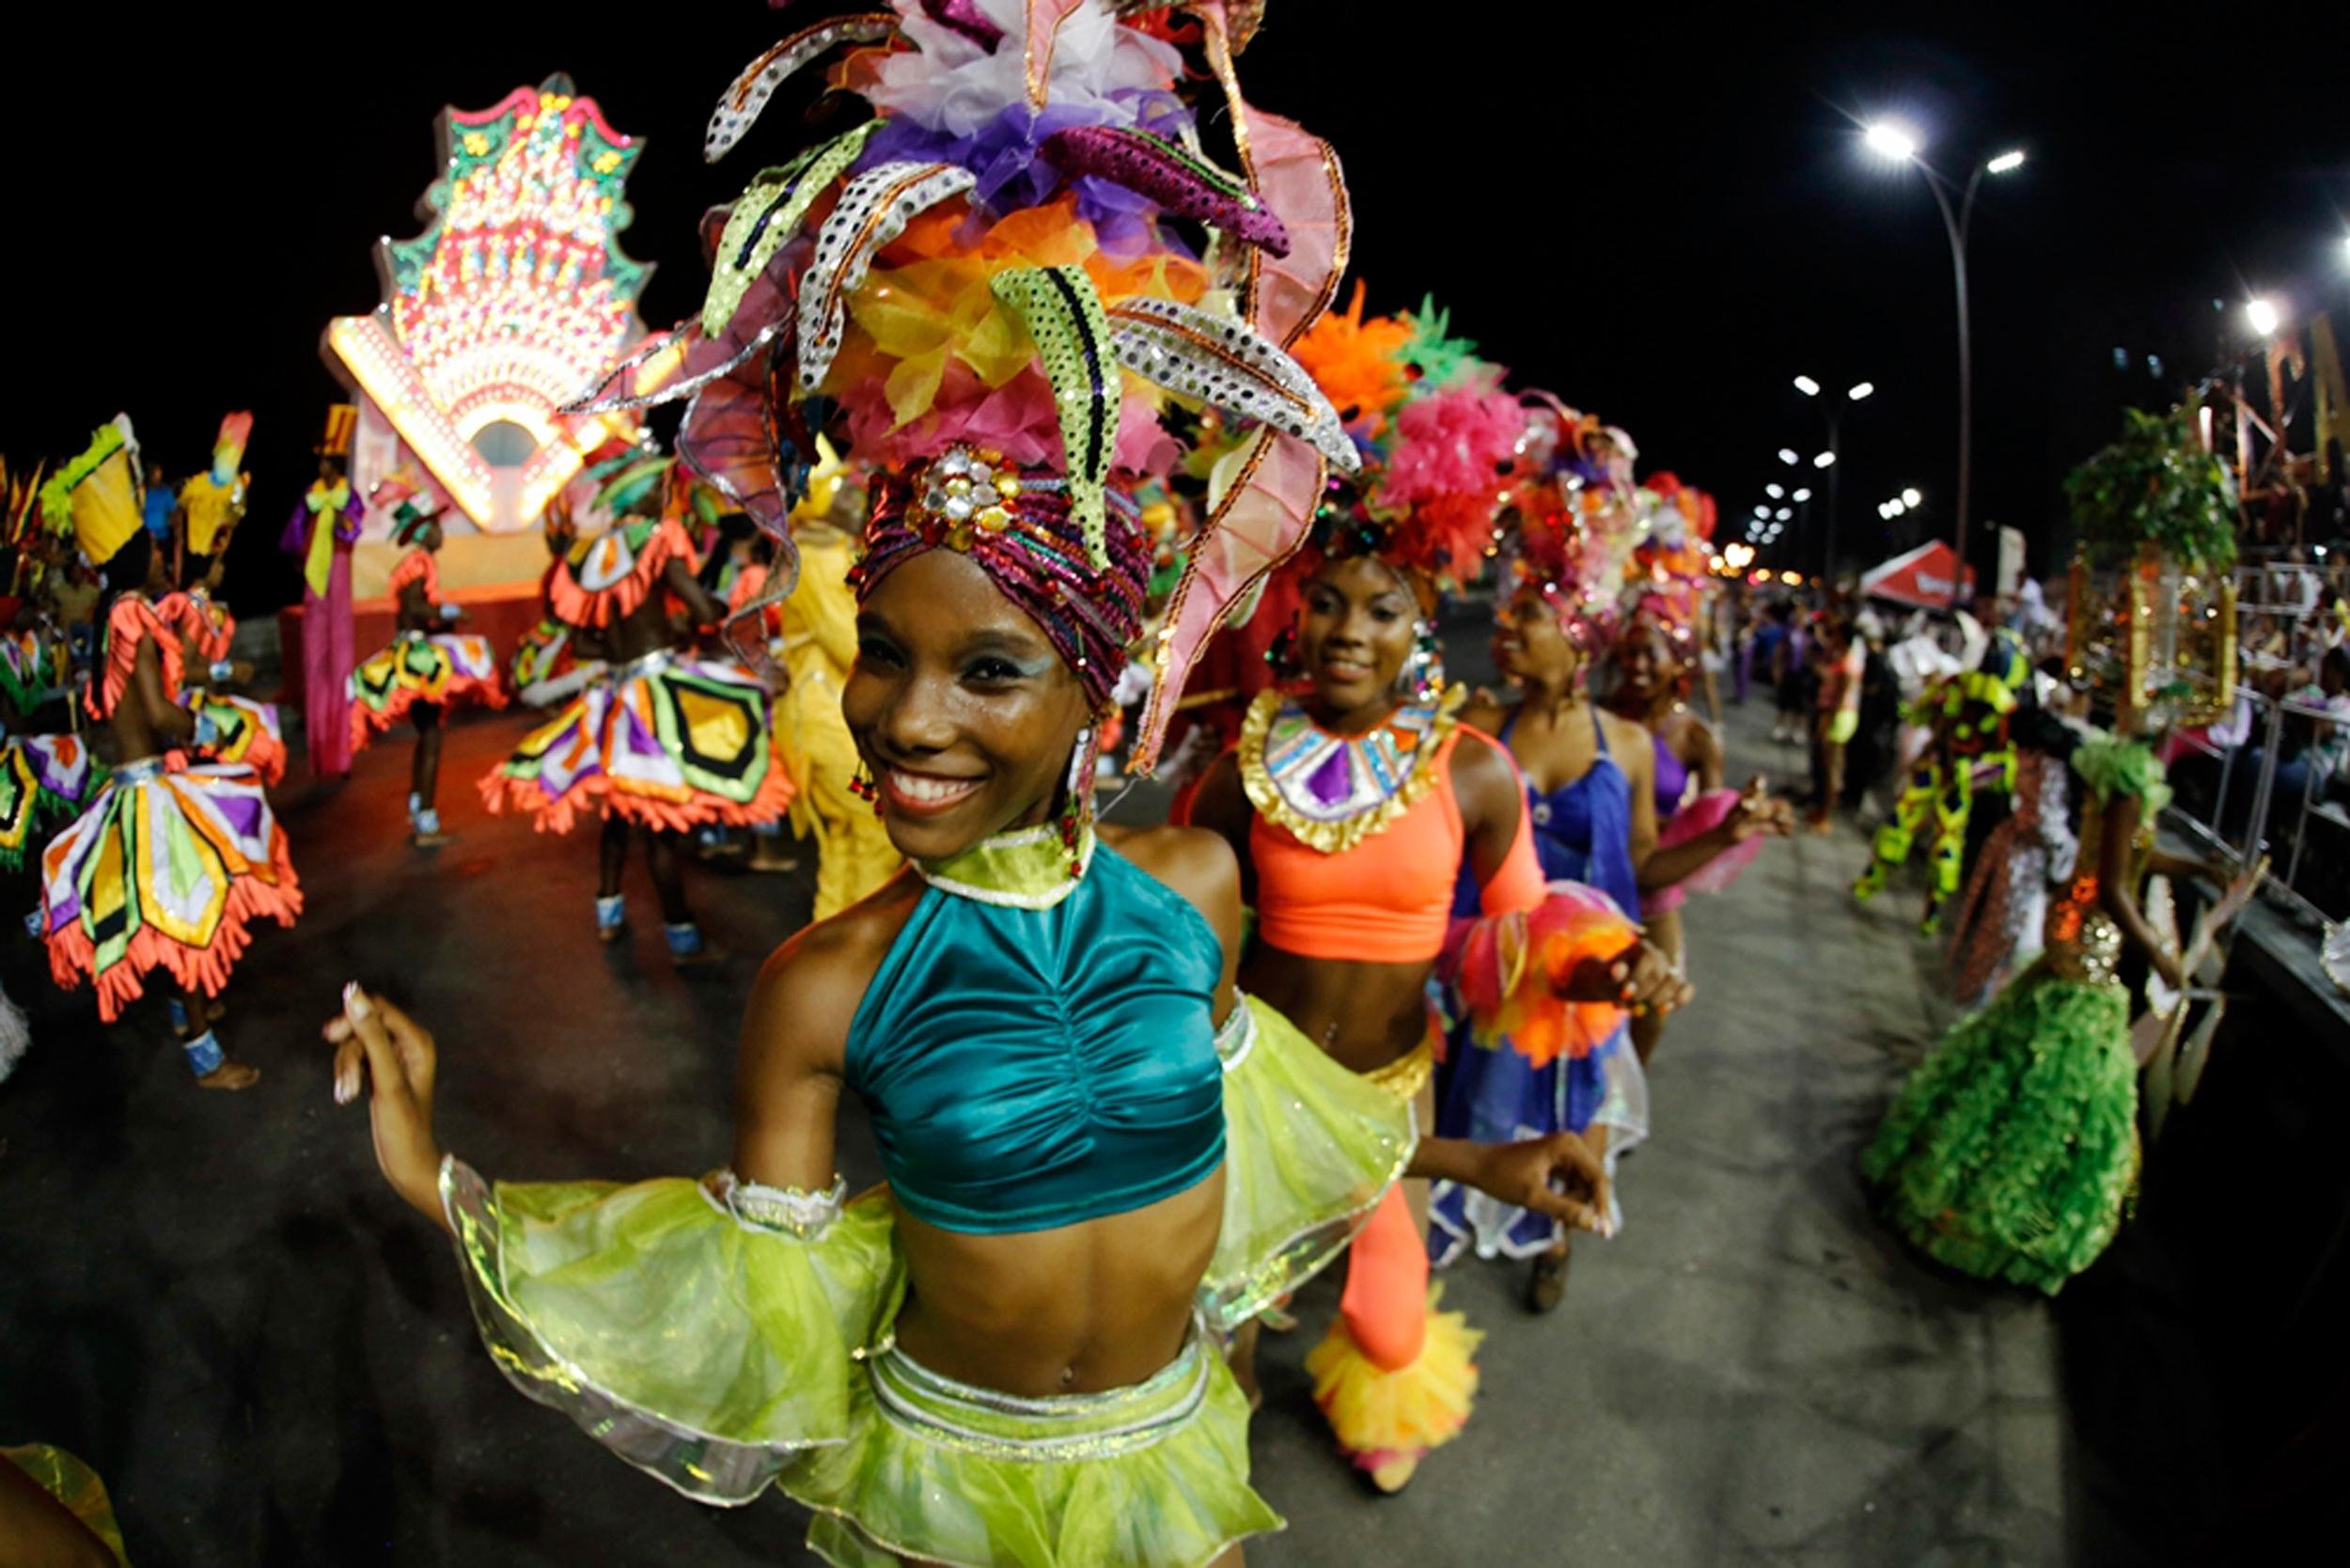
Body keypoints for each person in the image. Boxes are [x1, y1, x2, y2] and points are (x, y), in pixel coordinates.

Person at [329, 447, 1631, 1568]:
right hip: (948, 1485)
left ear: (1094, 691)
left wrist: (1482, 1163)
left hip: (1176, 1449)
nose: (905, 718)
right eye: (884, 657)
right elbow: (750, 1290)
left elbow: (1272, 1135)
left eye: (989, 671)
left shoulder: (1193, 890)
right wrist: (437, 1181)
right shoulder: (824, 985)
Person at [1186, 482, 1692, 1487]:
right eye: (1327, 600)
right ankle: (1209, 1435)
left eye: (1382, 610)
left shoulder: (1473, 772)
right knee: (1217, 1304)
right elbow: (1188, 916)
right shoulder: (1248, 755)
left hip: (1387, 1090)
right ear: (1297, 610)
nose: (1347, 631)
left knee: (1386, 1314)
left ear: (1423, 625)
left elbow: (1507, 950)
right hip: (1253, 1086)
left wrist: (1608, 968)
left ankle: (1377, 1400)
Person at [1862, 689, 2240, 1292]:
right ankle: (1996, 1214)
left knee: (2029, 1057)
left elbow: (2132, 857)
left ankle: (1978, 1192)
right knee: (2060, 1081)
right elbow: (2117, 887)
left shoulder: (2118, 773)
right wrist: (2164, 956)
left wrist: (2198, 870)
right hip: (2087, 939)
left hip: (2077, 929)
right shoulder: (2125, 781)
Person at [480, 450, 790, 962]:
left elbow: (584, 644)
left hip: (611, 696)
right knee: (660, 820)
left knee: (619, 811)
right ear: (642, 495)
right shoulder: (656, 540)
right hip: (652, 699)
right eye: (659, 488)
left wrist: (635, 645)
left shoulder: (589, 558)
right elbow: (701, 607)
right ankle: (681, 933)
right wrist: (716, 610)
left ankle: (608, 909)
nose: (665, 496)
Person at [39, 528, 298, 1089]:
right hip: (147, 790)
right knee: (189, 907)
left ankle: (189, 1011)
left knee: (182, 902)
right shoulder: (136, 616)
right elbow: (159, 713)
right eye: (155, 552)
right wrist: (211, 729)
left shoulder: (116, 615)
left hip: (136, 783)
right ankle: (205, 1055)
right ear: (136, 560)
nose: (163, 559)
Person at [1611, 606, 1791, 1064]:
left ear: (1678, 662)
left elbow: (1711, 820)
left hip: (1653, 889)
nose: (1637, 666)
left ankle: (1620, 1115)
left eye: (1649, 655)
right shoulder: (1598, 715)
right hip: (1598, 873)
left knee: (1651, 1011)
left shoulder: (1696, 738)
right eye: (1629, 654)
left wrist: (1747, 816)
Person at [349, 506, 507, 846]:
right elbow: (412, 609)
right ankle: (426, 819)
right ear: (423, 532)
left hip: (418, 651)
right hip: (418, 658)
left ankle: (420, 807)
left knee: (429, 734)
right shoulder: (419, 562)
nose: (442, 534)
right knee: (432, 736)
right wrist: (450, 611)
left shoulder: (418, 562)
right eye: (436, 527)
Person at [279, 450, 363, 778]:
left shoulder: (347, 497)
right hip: (316, 583)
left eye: (326, 462)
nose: (321, 467)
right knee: (315, 663)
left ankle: (341, 753)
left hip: (338, 573)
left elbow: (351, 530)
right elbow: (295, 539)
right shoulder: (311, 497)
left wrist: (340, 513)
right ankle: (320, 752)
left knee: (340, 662)